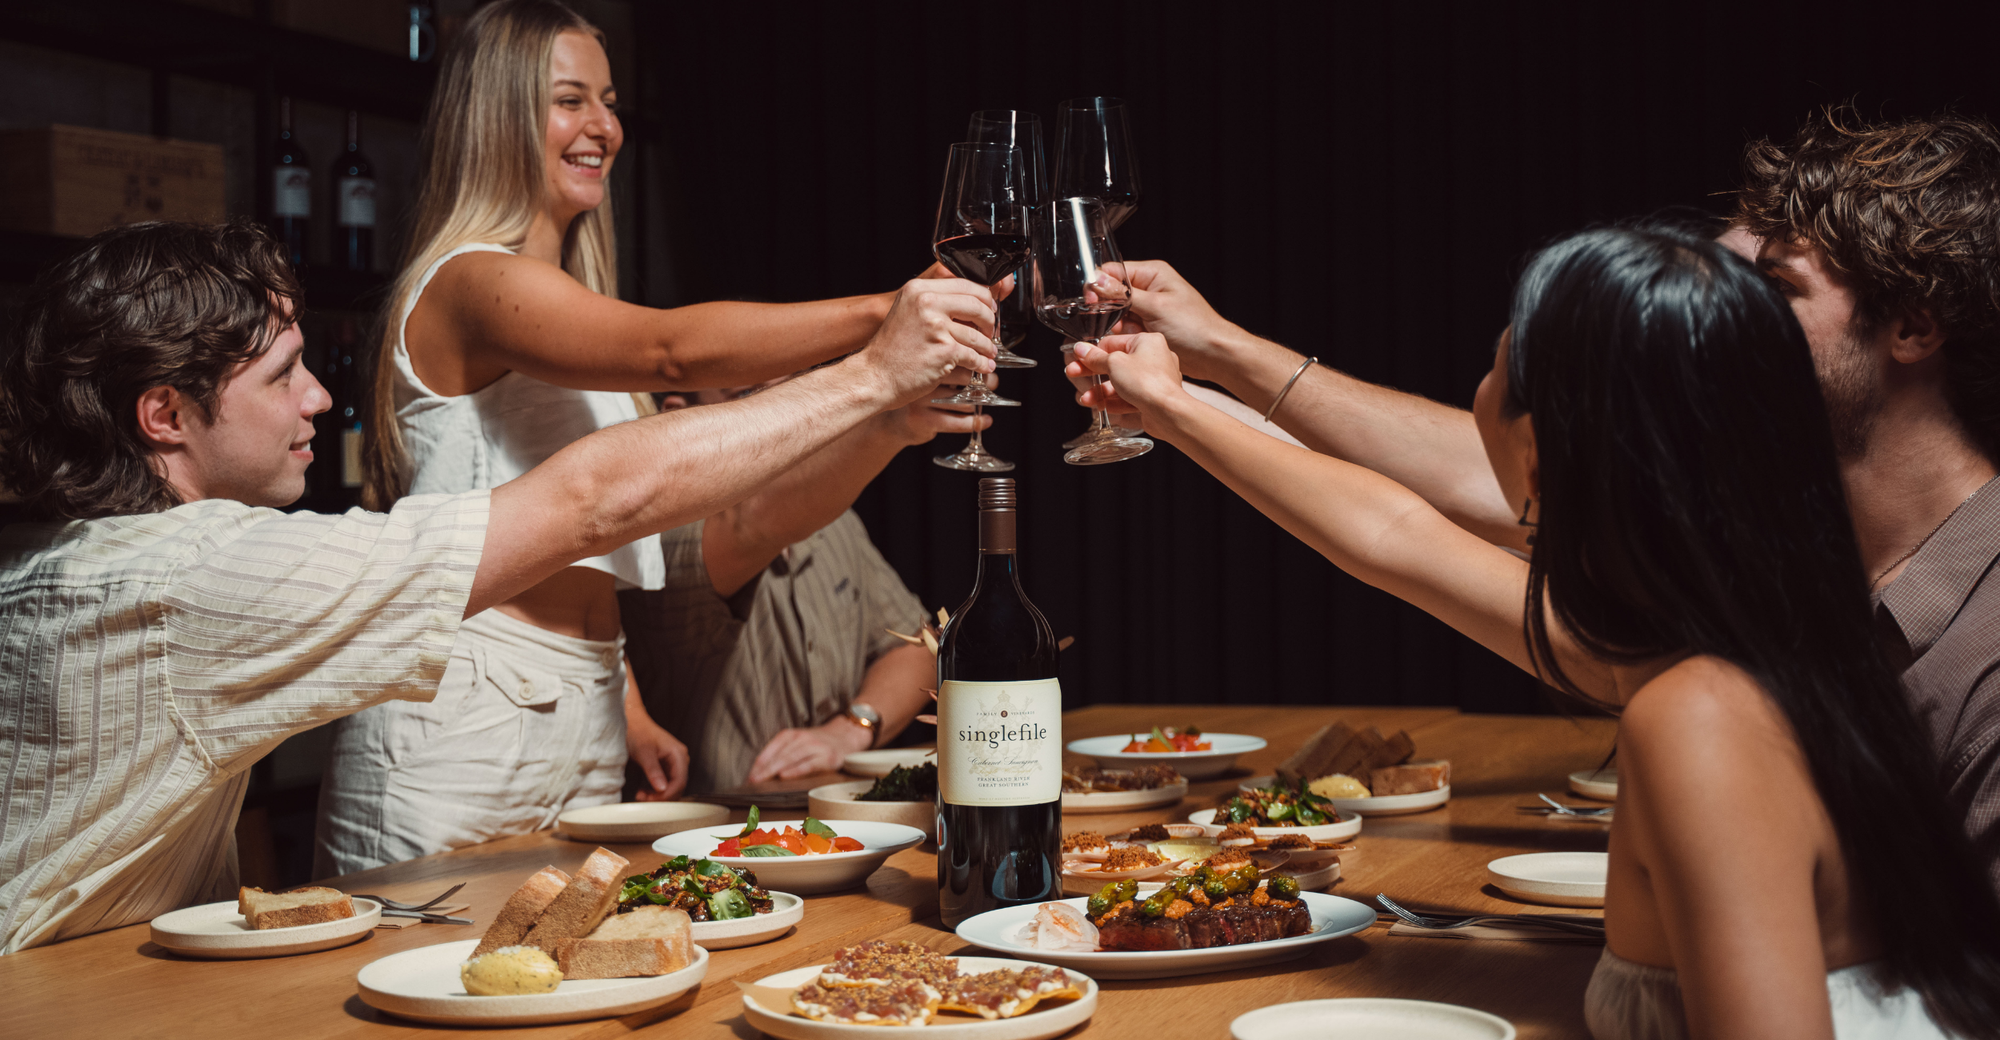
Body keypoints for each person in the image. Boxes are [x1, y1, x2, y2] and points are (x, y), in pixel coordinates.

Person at [1078, 225, 2000, 1038]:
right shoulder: (1769, 635)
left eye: (1493, 369)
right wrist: (1175, 404)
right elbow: (1394, 535)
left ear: (1545, 446)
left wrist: (1185, 397)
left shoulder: (1697, 710)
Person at [0, 220, 991, 953]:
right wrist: (870, 374)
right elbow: (590, 501)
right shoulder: (185, 575)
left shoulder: (82, 553)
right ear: (165, 412)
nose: (322, 397)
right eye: (283, 375)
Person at [315, 0, 984, 875]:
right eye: (569, 100)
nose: (604, 126)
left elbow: (590, 546)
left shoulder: (568, 304)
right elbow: (669, 349)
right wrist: (884, 317)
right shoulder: (468, 280)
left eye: (609, 99)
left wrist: (623, 703)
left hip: (584, 702)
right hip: (460, 708)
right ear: (496, 115)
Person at [620, 377, 951, 795]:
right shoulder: (657, 536)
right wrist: (891, 422)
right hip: (704, 841)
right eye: (750, 394)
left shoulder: (835, 522)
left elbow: (919, 645)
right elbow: (751, 523)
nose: (789, 415)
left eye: (796, 392)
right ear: (678, 415)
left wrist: (851, 728)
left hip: (828, 828)